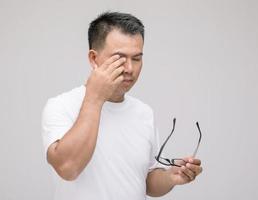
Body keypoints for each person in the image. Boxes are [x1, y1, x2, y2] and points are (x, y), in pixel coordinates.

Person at [41, 11, 202, 200]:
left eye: (136, 58)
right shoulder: (61, 106)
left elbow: (146, 182)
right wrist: (94, 98)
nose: (130, 69)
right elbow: (68, 168)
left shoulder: (144, 113)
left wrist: (170, 177)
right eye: (119, 58)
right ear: (94, 59)